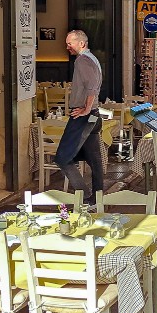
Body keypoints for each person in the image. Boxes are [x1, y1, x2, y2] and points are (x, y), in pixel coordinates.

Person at [54, 29, 104, 202]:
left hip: (84, 117)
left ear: (81, 43)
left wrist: (86, 109)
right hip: (93, 116)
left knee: (62, 158)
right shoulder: (92, 59)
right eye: (67, 43)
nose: (67, 47)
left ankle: (85, 196)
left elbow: (92, 87)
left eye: (70, 43)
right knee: (94, 159)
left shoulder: (83, 60)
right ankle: (97, 197)